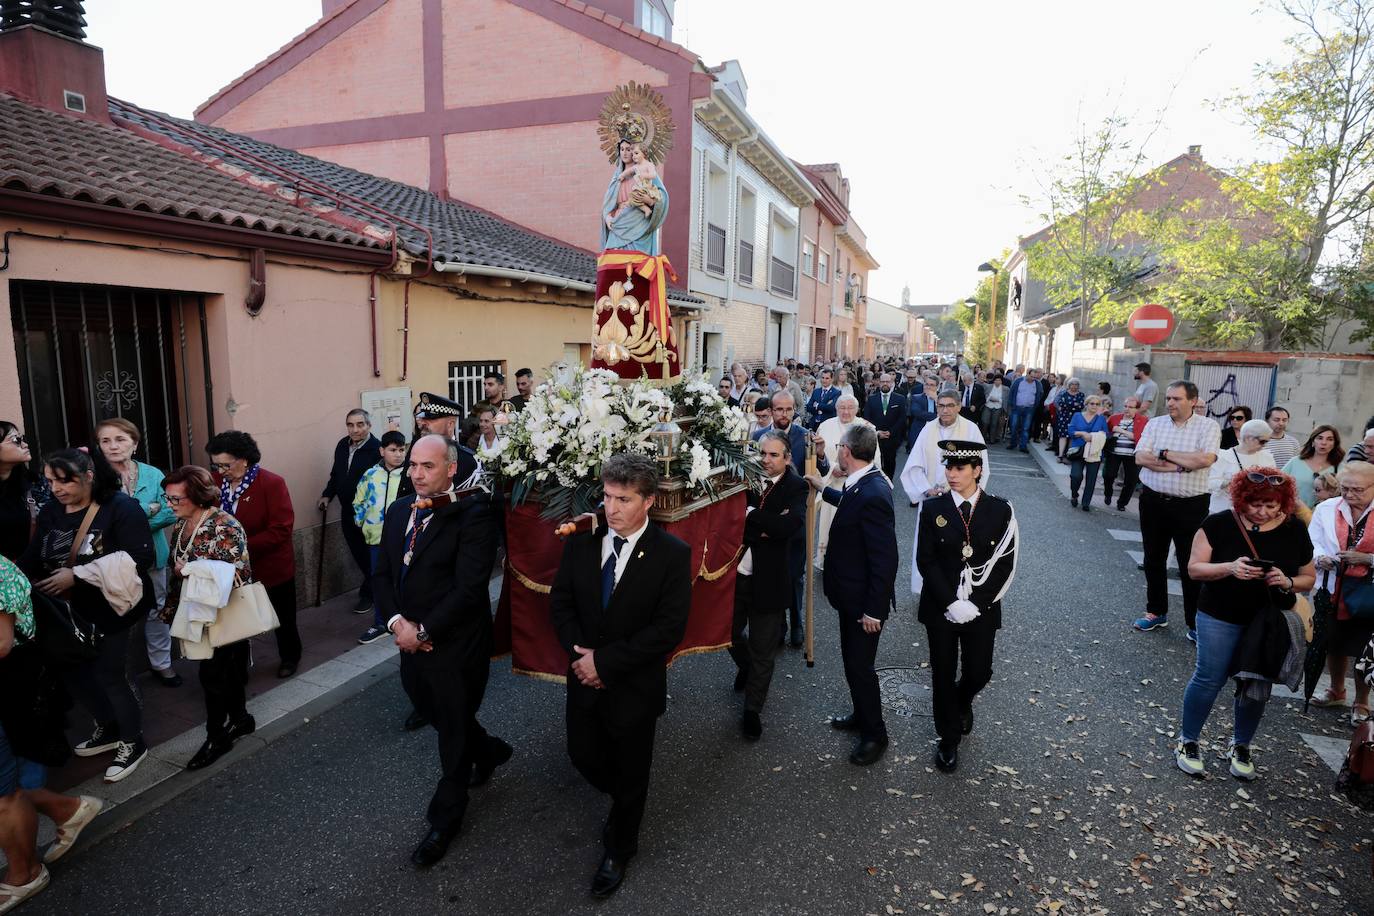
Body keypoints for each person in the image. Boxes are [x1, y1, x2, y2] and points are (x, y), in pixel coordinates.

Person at [549, 453, 691, 898]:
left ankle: (620, 847)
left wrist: (605, 664)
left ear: (648, 501)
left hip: (634, 688)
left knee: (633, 772)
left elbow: (667, 630)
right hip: (582, 678)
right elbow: (562, 604)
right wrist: (581, 658)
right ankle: (625, 800)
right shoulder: (582, 543)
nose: (611, 508)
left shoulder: (672, 554)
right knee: (581, 754)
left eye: (623, 499)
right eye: (607, 496)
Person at [374, 435, 509, 868]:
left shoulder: (473, 515)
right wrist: (399, 625)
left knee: (451, 726)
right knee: (428, 706)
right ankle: (487, 750)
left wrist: (426, 629)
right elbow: (381, 576)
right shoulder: (398, 512)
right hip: (410, 640)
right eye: (412, 465)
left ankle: (444, 821)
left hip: (458, 642)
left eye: (427, 466)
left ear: (451, 468)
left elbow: (470, 588)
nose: (415, 474)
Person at [18, 448, 155, 783]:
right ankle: (108, 728)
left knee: (112, 674)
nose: (56, 488)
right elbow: (33, 556)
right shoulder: (52, 510)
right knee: (73, 673)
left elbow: (140, 557)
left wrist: (77, 574)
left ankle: (132, 741)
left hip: (115, 607)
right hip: (70, 611)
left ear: (89, 476)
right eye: (50, 481)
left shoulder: (120, 508)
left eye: (65, 481)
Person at [1174, 469, 1315, 779]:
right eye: (1255, 505)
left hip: (1268, 620)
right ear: (1241, 500)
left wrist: (1287, 580)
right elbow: (1195, 569)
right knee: (1209, 677)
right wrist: (1230, 567)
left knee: (1255, 683)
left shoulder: (1294, 529)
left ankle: (1241, 745)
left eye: (1271, 505)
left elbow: (1309, 577)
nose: (1263, 512)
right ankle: (1188, 741)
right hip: (1219, 614)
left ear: (1283, 503)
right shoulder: (1219, 523)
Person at [0, 555, 103, 912]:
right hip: (13, 685)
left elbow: (1, 643)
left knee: (7, 790)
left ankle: (24, 872)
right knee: (7, 787)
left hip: (15, 683)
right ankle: (68, 810)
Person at [915, 440, 1018, 772]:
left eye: (959, 468)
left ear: (977, 470)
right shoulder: (933, 508)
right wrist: (950, 602)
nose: (952, 474)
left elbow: (1005, 562)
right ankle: (948, 739)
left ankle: (961, 701)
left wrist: (974, 603)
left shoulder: (1000, 510)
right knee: (943, 673)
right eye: (948, 467)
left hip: (980, 608)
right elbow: (926, 561)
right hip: (941, 607)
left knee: (979, 671)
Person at [803, 425, 899, 767]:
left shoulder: (874, 492)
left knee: (861, 667)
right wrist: (822, 488)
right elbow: (848, 503)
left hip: (864, 605)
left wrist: (874, 609)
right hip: (850, 598)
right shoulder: (864, 483)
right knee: (853, 663)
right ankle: (861, 714)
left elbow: (885, 559)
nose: (838, 449)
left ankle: (876, 734)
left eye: (840, 445)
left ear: (847, 451)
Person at [160, 466, 258, 770]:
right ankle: (241, 719)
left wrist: (188, 569)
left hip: (221, 612)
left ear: (199, 496)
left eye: (177, 499)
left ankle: (217, 737)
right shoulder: (182, 524)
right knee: (225, 673)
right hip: (197, 611)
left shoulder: (224, 524)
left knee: (212, 676)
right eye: (168, 499)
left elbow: (236, 574)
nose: (170, 505)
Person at [729, 432, 807, 739]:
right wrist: (762, 526)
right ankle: (745, 667)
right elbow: (731, 522)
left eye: (774, 455)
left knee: (764, 648)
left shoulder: (796, 487)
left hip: (771, 580)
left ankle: (752, 710)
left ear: (787, 458)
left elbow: (790, 526)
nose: (766, 459)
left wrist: (752, 515)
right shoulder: (746, 479)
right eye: (763, 453)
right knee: (728, 634)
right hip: (736, 575)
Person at [1131, 381, 1222, 640]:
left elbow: (1204, 460)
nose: (1170, 403)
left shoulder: (1208, 427)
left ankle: (1194, 623)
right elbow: (1141, 458)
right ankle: (1156, 611)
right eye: (1168, 398)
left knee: (1189, 564)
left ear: (1193, 400)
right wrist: (1181, 465)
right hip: (1153, 501)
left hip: (1190, 505)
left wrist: (1164, 454)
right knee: (1153, 558)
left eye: (1176, 399)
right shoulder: (1155, 423)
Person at [206, 431, 299, 679]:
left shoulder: (271, 483)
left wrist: (238, 549)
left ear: (244, 459)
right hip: (229, 569)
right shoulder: (215, 483)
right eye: (217, 465)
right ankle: (239, 667)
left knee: (283, 617)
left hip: (270, 565)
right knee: (236, 619)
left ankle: (290, 657)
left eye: (226, 464)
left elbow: (281, 530)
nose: (221, 470)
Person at [95, 419, 180, 689]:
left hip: (153, 556)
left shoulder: (153, 474)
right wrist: (147, 509)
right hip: (114, 562)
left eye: (120, 439)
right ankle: (120, 674)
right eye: (105, 441)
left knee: (158, 611)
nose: (113, 446)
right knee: (117, 615)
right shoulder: (95, 477)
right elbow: (101, 521)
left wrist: (130, 518)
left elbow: (170, 511)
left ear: (135, 443)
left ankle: (162, 664)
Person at [752, 391, 828, 647]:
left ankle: (796, 622)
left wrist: (821, 454)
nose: (784, 414)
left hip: (795, 518)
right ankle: (779, 625)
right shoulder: (756, 438)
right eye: (778, 409)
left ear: (795, 410)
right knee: (771, 574)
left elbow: (822, 472)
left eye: (789, 409)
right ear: (771, 410)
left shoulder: (806, 437)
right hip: (767, 519)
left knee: (795, 575)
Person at [1308, 460, 1374, 724]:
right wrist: (1321, 557)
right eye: (1345, 489)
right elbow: (1312, 542)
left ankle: (1362, 701)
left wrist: (1368, 559)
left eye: (1357, 489)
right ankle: (1336, 690)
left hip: (1369, 590)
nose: (1349, 495)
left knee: (1365, 647)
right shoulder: (1326, 508)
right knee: (1333, 641)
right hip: (1332, 585)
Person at [902, 390, 987, 593]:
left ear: (959, 406)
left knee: (957, 546)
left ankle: (957, 589)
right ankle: (927, 588)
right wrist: (926, 489)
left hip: (961, 499)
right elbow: (913, 465)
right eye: (941, 405)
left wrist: (969, 494)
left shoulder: (971, 429)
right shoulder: (928, 429)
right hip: (931, 500)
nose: (945, 410)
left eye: (950, 405)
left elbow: (982, 467)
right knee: (929, 545)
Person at [317, 408, 381, 615]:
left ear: (369, 426)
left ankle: (369, 593)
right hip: (348, 511)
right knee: (358, 553)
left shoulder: (376, 449)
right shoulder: (342, 446)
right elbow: (336, 474)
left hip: (369, 514)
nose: (355, 429)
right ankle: (373, 588)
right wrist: (327, 494)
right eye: (350, 425)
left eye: (360, 425)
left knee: (369, 555)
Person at [353, 431, 408, 644]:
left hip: (402, 539)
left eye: (401, 450)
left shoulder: (409, 476)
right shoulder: (370, 475)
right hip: (376, 539)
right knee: (379, 579)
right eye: (393, 450)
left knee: (404, 578)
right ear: (382, 451)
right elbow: (359, 501)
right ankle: (381, 622)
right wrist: (362, 523)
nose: (397, 454)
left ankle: (406, 616)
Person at [816, 396, 872, 562]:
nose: (845, 411)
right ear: (836, 409)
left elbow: (874, 459)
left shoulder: (867, 428)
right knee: (828, 524)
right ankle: (825, 558)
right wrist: (832, 468)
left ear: (857, 409)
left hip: (856, 487)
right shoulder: (825, 426)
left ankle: (849, 560)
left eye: (850, 407)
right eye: (842, 407)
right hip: (831, 482)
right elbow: (818, 453)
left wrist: (851, 470)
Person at [397, 393, 462, 501]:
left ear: (450, 424)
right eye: (423, 418)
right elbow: (404, 490)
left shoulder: (466, 459)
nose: (423, 423)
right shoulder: (417, 447)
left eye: (431, 419)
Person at [0, 423, 48, 563]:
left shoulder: (37, 484)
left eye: (23, 438)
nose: (25, 444)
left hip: (35, 574)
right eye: (16, 440)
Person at [1207, 419, 1278, 514]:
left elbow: (1273, 483)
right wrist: (1229, 483)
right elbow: (1209, 483)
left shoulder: (1267, 457)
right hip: (1223, 511)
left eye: (1266, 442)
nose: (1264, 445)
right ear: (1248, 438)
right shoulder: (1223, 456)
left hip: (1254, 512)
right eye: (1262, 441)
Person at [1282, 425, 1344, 509]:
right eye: (1320, 438)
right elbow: (1278, 484)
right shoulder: (1295, 462)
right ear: (1313, 442)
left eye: (1330, 439)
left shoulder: (1341, 468)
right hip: (1292, 514)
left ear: (1334, 444)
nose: (1324, 442)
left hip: (1323, 515)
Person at [1066, 395, 1109, 511]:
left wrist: (1094, 437)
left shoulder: (1101, 419)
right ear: (1086, 404)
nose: (1094, 406)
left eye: (1097, 404)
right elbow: (1070, 431)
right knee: (1075, 475)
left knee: (1091, 479)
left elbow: (1106, 434)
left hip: (1094, 452)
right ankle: (1074, 494)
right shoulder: (1077, 416)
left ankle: (1086, 503)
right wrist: (1082, 434)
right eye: (1092, 403)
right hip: (1078, 451)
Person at [1102, 396, 1145, 510]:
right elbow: (1106, 432)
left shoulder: (1143, 420)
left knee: (1131, 481)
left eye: (1130, 407)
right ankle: (1108, 492)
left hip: (1132, 455)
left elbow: (1139, 437)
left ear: (1137, 409)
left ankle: (1122, 503)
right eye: (1125, 406)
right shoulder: (1114, 418)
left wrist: (1120, 430)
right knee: (1108, 475)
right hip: (1114, 452)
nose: (1127, 409)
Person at [863, 373, 907, 481]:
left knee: (890, 462)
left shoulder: (900, 399)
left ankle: (888, 484)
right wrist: (877, 432)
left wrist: (891, 432)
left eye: (888, 381)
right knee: (874, 461)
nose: (885, 384)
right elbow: (867, 417)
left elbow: (902, 418)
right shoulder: (872, 399)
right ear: (879, 383)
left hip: (892, 437)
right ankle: (874, 483)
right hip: (875, 436)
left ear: (892, 383)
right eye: (883, 382)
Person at [904, 377, 940, 465]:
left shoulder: (941, 399)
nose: (928, 387)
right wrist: (937, 416)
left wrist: (936, 400)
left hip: (937, 433)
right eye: (927, 384)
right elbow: (917, 413)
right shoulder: (917, 398)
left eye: (932, 385)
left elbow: (946, 413)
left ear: (937, 387)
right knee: (918, 462)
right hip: (919, 432)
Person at [1005, 369, 1040, 453]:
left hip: (1029, 409)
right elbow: (1011, 392)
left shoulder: (1037, 384)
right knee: (1013, 426)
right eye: (1031, 376)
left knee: (1025, 428)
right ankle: (1013, 443)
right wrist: (1011, 405)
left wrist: (1035, 405)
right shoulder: (1018, 381)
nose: (1033, 379)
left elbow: (1039, 394)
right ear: (1027, 374)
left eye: (1034, 377)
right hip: (1017, 407)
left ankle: (1023, 446)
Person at [1053, 379, 1086, 462]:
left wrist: (1069, 405)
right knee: (1063, 436)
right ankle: (1060, 455)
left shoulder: (1081, 395)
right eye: (1072, 384)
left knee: (1072, 436)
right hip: (1064, 417)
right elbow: (1061, 404)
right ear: (1069, 385)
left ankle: (1069, 455)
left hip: (1076, 418)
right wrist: (1073, 405)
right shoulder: (1064, 393)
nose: (1074, 386)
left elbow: (1081, 406)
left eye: (1076, 384)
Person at [980, 374, 1006, 445]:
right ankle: (982, 438)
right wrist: (989, 398)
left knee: (994, 424)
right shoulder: (989, 386)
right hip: (988, 406)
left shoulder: (1005, 389)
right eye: (996, 380)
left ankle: (992, 439)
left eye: (999, 380)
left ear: (1001, 381)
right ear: (993, 381)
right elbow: (985, 394)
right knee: (985, 422)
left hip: (998, 407)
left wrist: (997, 400)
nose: (997, 381)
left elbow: (1005, 399)